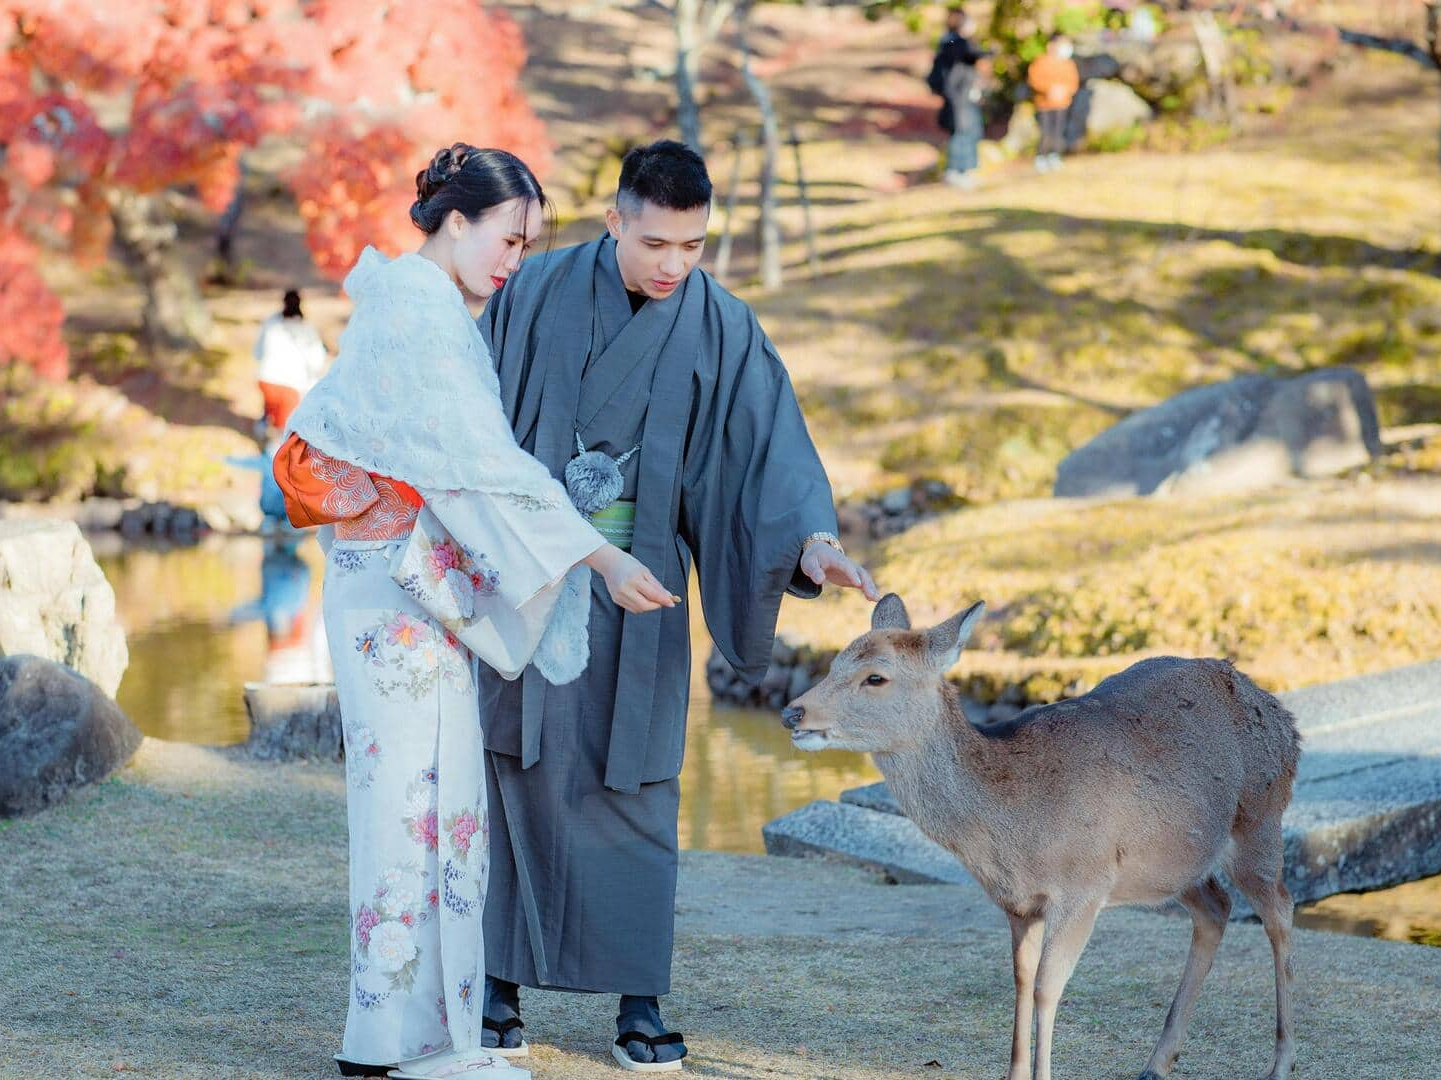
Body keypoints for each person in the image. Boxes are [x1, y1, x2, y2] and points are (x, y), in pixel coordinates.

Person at [473, 140, 880, 1073]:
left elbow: (765, 456)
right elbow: (474, 433)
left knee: (639, 781)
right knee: (512, 768)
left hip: (644, 587)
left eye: (692, 246)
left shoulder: (724, 327)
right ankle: (496, 982)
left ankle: (640, 1002)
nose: (672, 265)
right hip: (529, 574)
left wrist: (810, 544)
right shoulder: (528, 297)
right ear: (614, 220)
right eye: (655, 241)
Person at [274, 143, 675, 1080]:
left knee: (433, 806)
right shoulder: (419, 315)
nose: (513, 262)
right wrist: (602, 554)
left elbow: (465, 470)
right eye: (507, 238)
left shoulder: (417, 308)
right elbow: (487, 470)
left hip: (401, 594)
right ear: (456, 221)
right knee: (416, 808)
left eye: (527, 247)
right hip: (396, 596)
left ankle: (417, 1038)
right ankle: (389, 1043)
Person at [927, 6, 989, 188]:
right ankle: (955, 171)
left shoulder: (955, 43)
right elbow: (969, 53)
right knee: (960, 133)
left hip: (966, 96)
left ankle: (966, 169)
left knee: (970, 132)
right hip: (958, 97)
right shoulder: (953, 43)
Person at [254, 288, 328, 439]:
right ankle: (272, 448)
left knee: (273, 412)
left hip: (266, 381)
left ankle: (266, 423)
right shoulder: (307, 329)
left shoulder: (271, 322)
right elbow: (317, 362)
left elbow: (258, 353)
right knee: (284, 432)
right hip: (290, 387)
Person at [1028, 34, 1081, 173]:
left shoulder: (1068, 64)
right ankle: (1041, 157)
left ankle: (1054, 155)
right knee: (1046, 132)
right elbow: (1035, 79)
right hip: (1044, 104)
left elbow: (1073, 82)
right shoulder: (1041, 62)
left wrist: (1064, 91)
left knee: (1058, 131)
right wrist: (1049, 89)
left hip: (1062, 104)